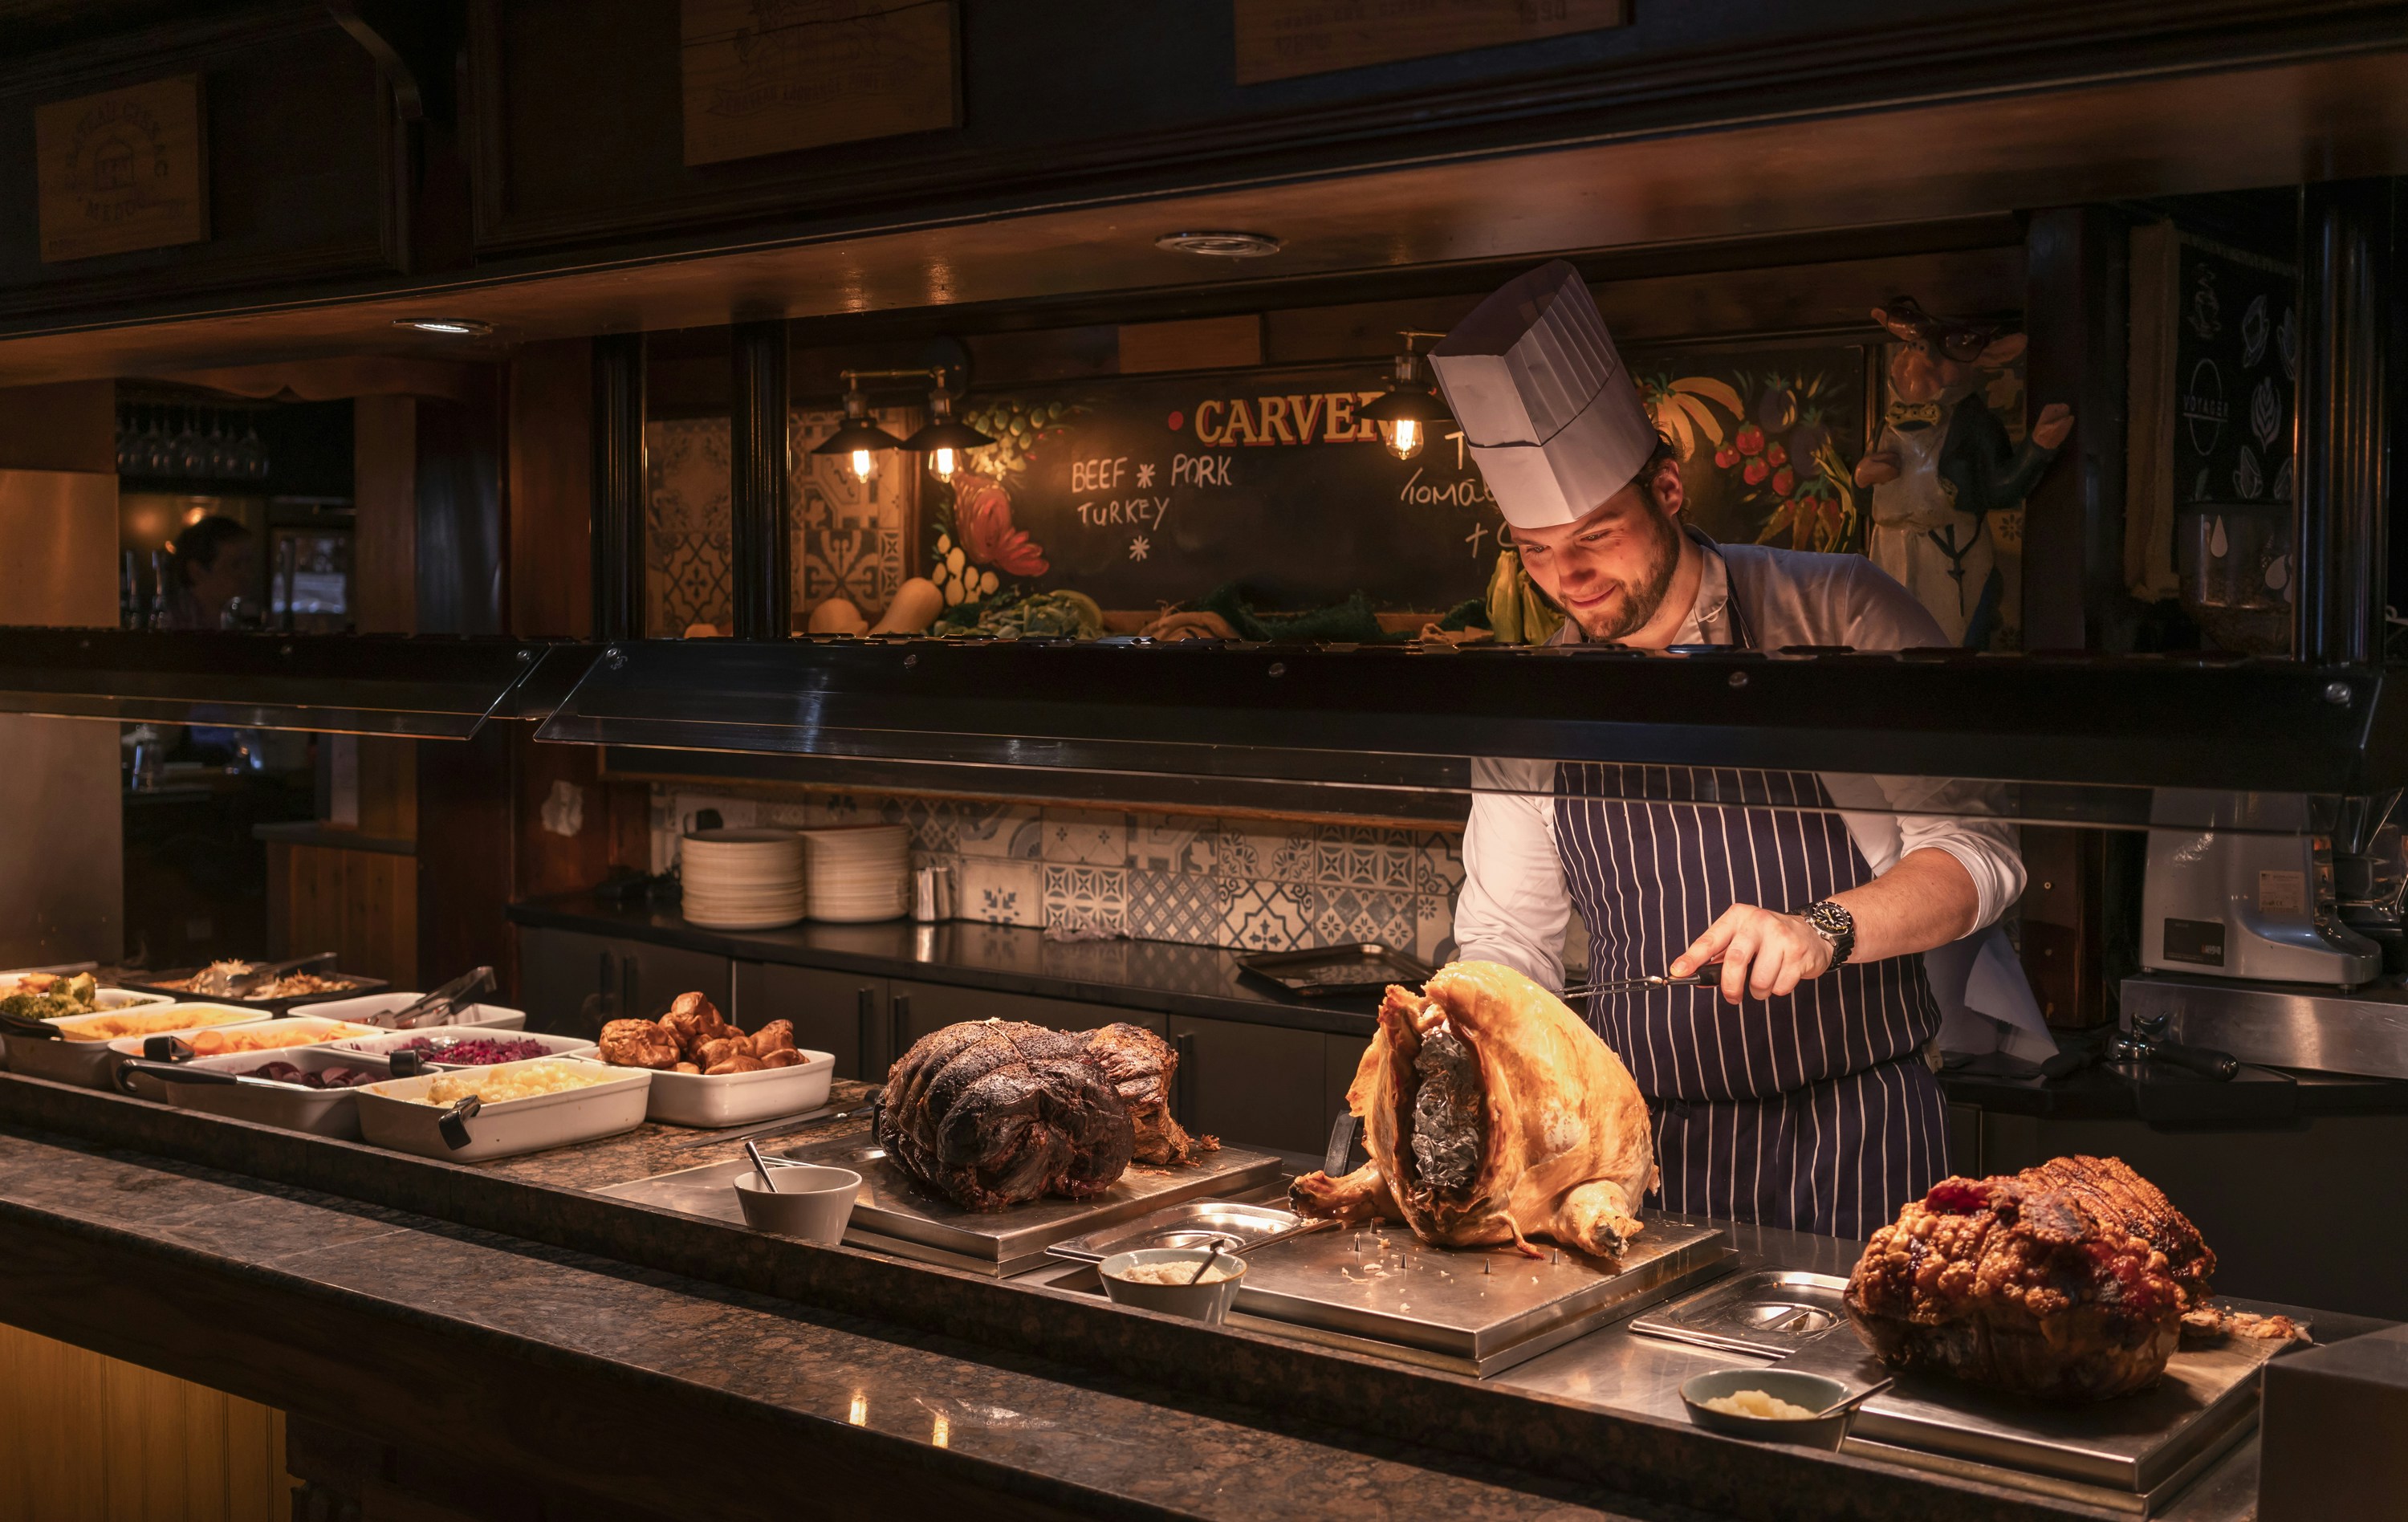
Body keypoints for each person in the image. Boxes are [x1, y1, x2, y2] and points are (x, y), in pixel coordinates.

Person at [1431, 262, 2029, 1241]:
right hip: (1633, 1155)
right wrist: (1459, 1055)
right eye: (1533, 549)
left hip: (1857, 1133)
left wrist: (1820, 928)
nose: (1567, 576)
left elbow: (1980, 852)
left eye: (1595, 535)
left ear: (1668, 488)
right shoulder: (1535, 698)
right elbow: (1510, 943)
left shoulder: (1840, 607)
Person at [157, 514, 257, 630]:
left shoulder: (250, 618)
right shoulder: (173, 625)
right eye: (235, 565)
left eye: (249, 563)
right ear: (196, 572)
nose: (247, 574)